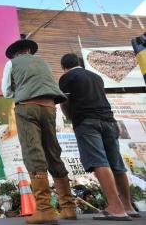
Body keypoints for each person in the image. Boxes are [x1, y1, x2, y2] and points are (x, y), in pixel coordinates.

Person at [1, 37, 76, 224]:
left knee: (33, 152)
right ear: (29, 51)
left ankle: (45, 209)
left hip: (27, 107)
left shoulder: (11, 63)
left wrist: (20, 91)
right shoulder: (43, 62)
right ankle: (68, 208)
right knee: (53, 152)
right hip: (50, 107)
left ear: (16, 53)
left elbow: (6, 92)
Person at [59, 53, 139, 221]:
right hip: (109, 121)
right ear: (79, 63)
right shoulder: (96, 77)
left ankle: (115, 208)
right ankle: (127, 206)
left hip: (87, 122)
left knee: (98, 161)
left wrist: (71, 119)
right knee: (116, 163)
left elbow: (65, 102)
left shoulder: (67, 77)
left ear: (64, 67)